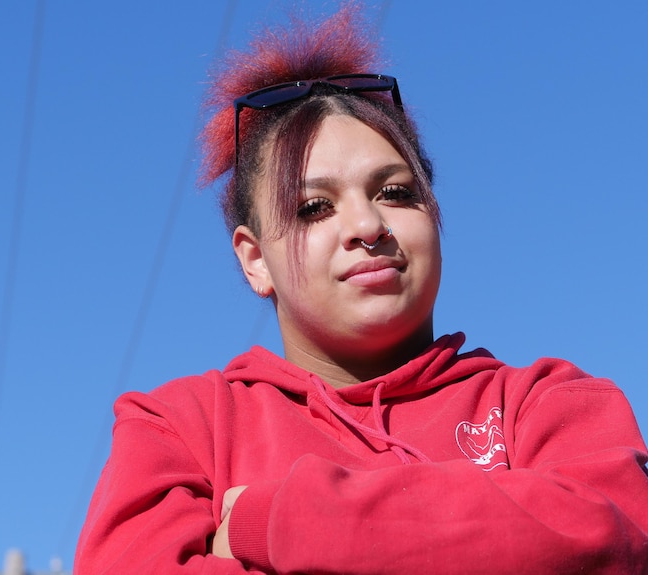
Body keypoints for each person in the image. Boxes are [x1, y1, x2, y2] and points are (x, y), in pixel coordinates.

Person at [73, 4, 648, 573]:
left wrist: (268, 520)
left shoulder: (550, 402)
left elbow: (609, 537)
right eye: (313, 208)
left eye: (395, 193)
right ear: (255, 261)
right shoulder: (180, 427)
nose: (368, 227)